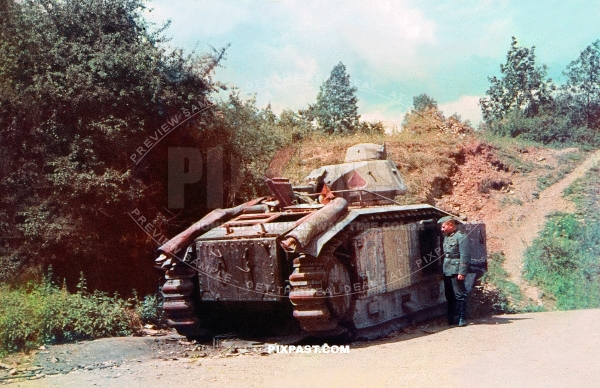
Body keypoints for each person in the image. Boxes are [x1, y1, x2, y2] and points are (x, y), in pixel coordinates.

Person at [438, 216, 471, 327]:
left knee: (459, 294)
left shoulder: (461, 237)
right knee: (449, 295)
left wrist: (462, 272)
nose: (442, 229)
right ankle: (451, 317)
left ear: (451, 225)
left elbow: (465, 256)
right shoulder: (447, 237)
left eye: (443, 227)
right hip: (447, 269)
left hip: (456, 270)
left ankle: (462, 317)